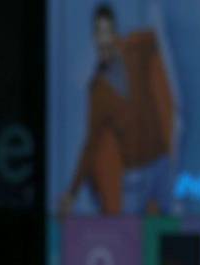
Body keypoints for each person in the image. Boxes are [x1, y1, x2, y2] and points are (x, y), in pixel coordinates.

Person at [57, 3, 177, 216]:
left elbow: (163, 35)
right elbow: (91, 144)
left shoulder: (135, 50)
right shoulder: (97, 90)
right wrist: (72, 193)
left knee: (174, 232)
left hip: (161, 164)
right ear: (94, 37)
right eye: (99, 33)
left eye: (108, 32)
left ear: (115, 34)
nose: (104, 39)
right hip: (134, 177)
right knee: (128, 240)